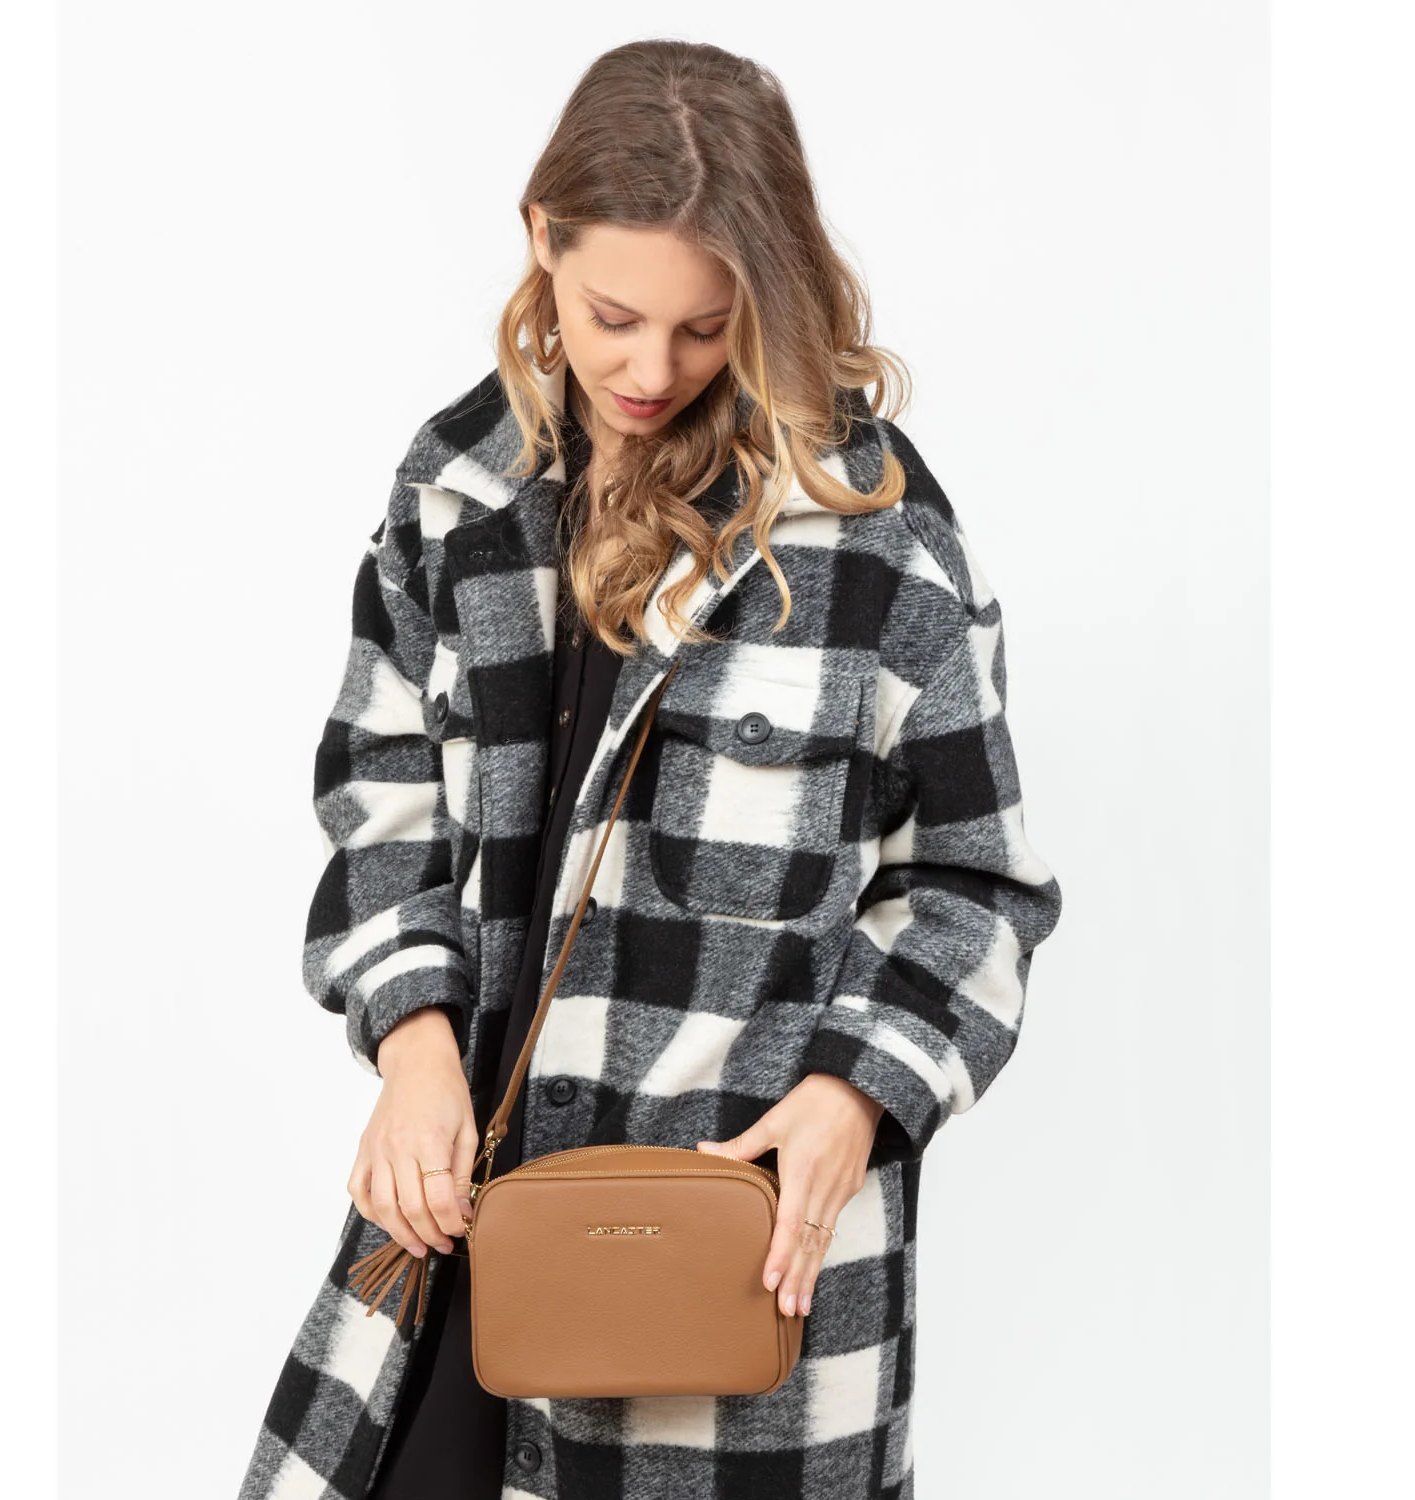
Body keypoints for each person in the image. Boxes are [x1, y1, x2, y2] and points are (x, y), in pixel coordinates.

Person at [236, 37, 1063, 1500]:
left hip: (725, 1277)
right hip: (459, 1234)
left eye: (704, 327)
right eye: (612, 316)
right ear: (540, 240)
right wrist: (412, 1046)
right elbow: (381, 791)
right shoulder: (459, 495)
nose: (650, 369)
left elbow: (974, 885)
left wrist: (857, 1093)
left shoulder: (876, 543)